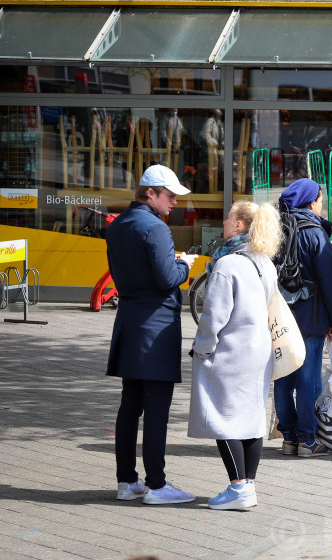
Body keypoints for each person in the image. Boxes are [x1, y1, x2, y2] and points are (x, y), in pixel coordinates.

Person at [105, 164, 198, 505]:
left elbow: (130, 272)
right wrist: (185, 265)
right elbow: (166, 278)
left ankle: (127, 481)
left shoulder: (118, 226)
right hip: (156, 327)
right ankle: (157, 485)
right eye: (169, 196)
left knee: (130, 406)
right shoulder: (155, 229)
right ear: (150, 193)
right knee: (156, 409)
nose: (174, 202)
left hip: (130, 323)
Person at [188, 200, 283, 510]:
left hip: (231, 349)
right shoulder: (264, 262)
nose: (224, 222)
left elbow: (213, 315)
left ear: (240, 225)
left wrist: (202, 349)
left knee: (224, 417)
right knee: (251, 416)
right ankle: (248, 485)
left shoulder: (228, 265)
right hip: (259, 348)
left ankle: (238, 486)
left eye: (228, 218)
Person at [274, 178, 332, 457]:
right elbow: (331, 282)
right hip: (310, 316)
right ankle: (307, 438)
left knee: (282, 374)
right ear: (310, 202)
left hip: (279, 315)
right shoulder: (315, 233)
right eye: (320, 200)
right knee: (307, 376)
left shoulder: (276, 229)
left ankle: (288, 436)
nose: (322, 205)